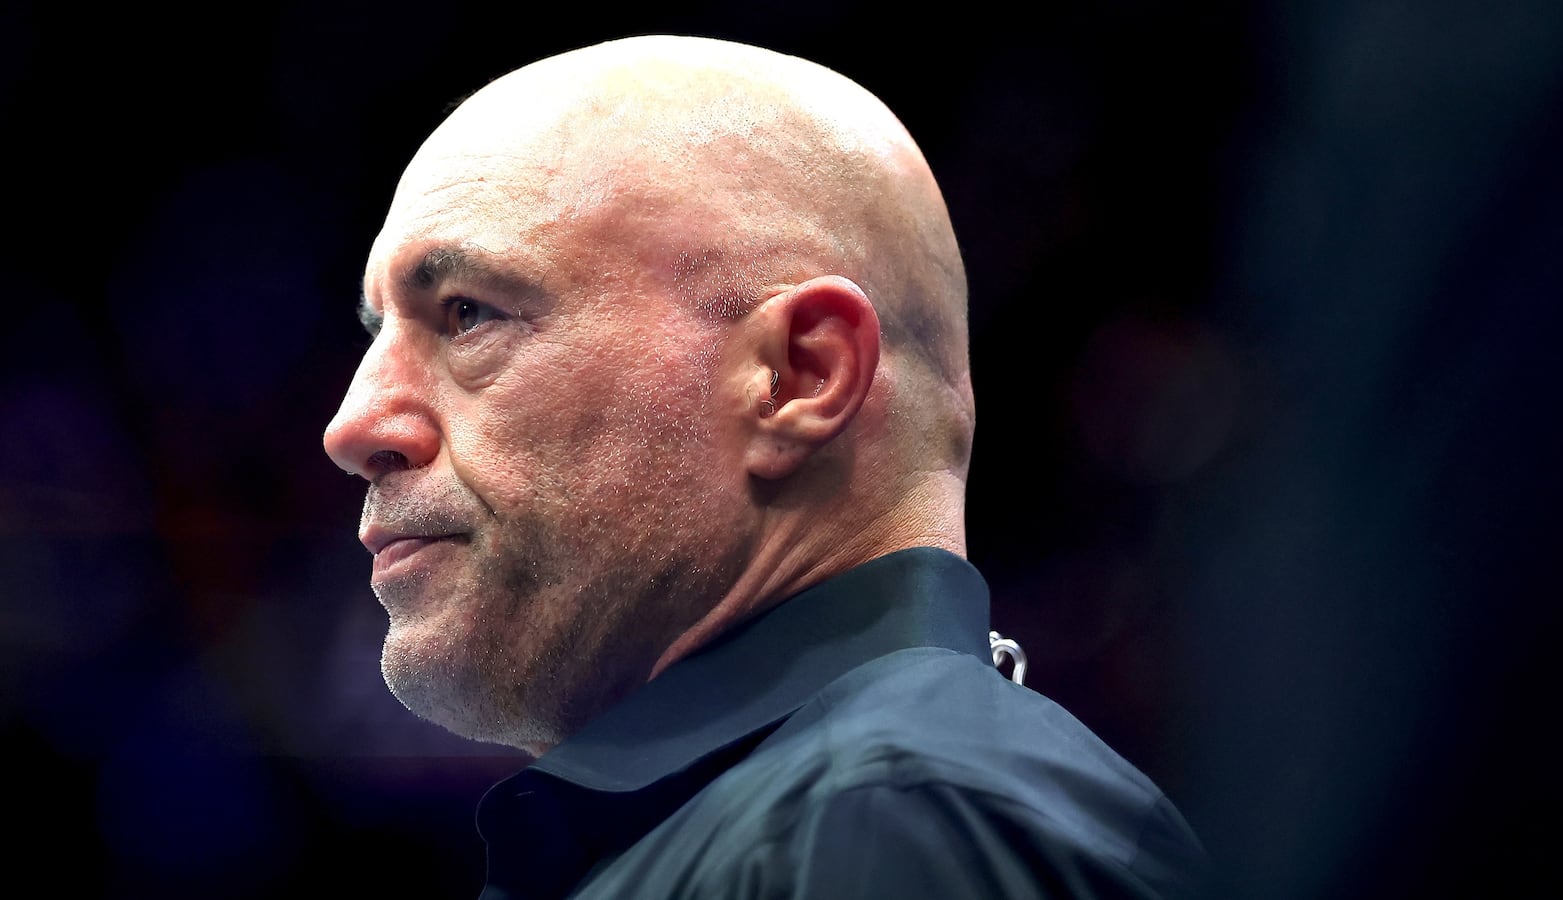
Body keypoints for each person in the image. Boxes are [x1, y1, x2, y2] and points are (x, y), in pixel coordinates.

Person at [322, 33, 1210, 900]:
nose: (354, 425)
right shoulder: (839, 819)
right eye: (378, 333)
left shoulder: (892, 823)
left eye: (468, 313)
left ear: (798, 377)